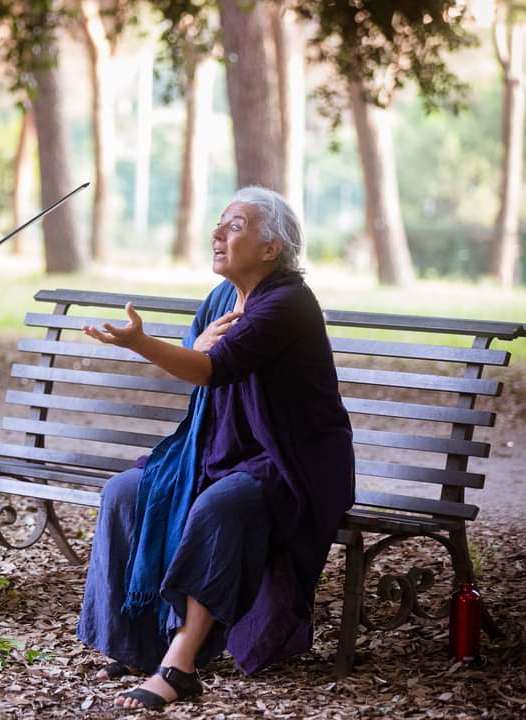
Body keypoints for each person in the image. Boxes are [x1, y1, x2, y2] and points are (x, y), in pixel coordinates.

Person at [77, 186, 354, 709]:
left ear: (271, 249)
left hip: (290, 460)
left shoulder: (288, 302)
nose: (217, 233)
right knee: (125, 491)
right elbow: (199, 361)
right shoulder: (223, 299)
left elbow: (211, 368)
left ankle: (181, 662)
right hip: (218, 446)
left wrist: (142, 342)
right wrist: (193, 348)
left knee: (217, 507)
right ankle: (134, 642)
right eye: (220, 223)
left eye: (235, 225)